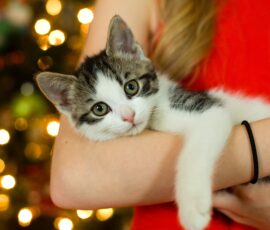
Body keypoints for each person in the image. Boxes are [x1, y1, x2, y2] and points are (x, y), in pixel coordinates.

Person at [50, 0, 270, 229]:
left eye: (131, 89)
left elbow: (213, 118)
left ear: (134, 54)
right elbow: (70, 180)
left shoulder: (163, 105)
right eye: (100, 109)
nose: (128, 115)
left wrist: (190, 187)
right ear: (66, 104)